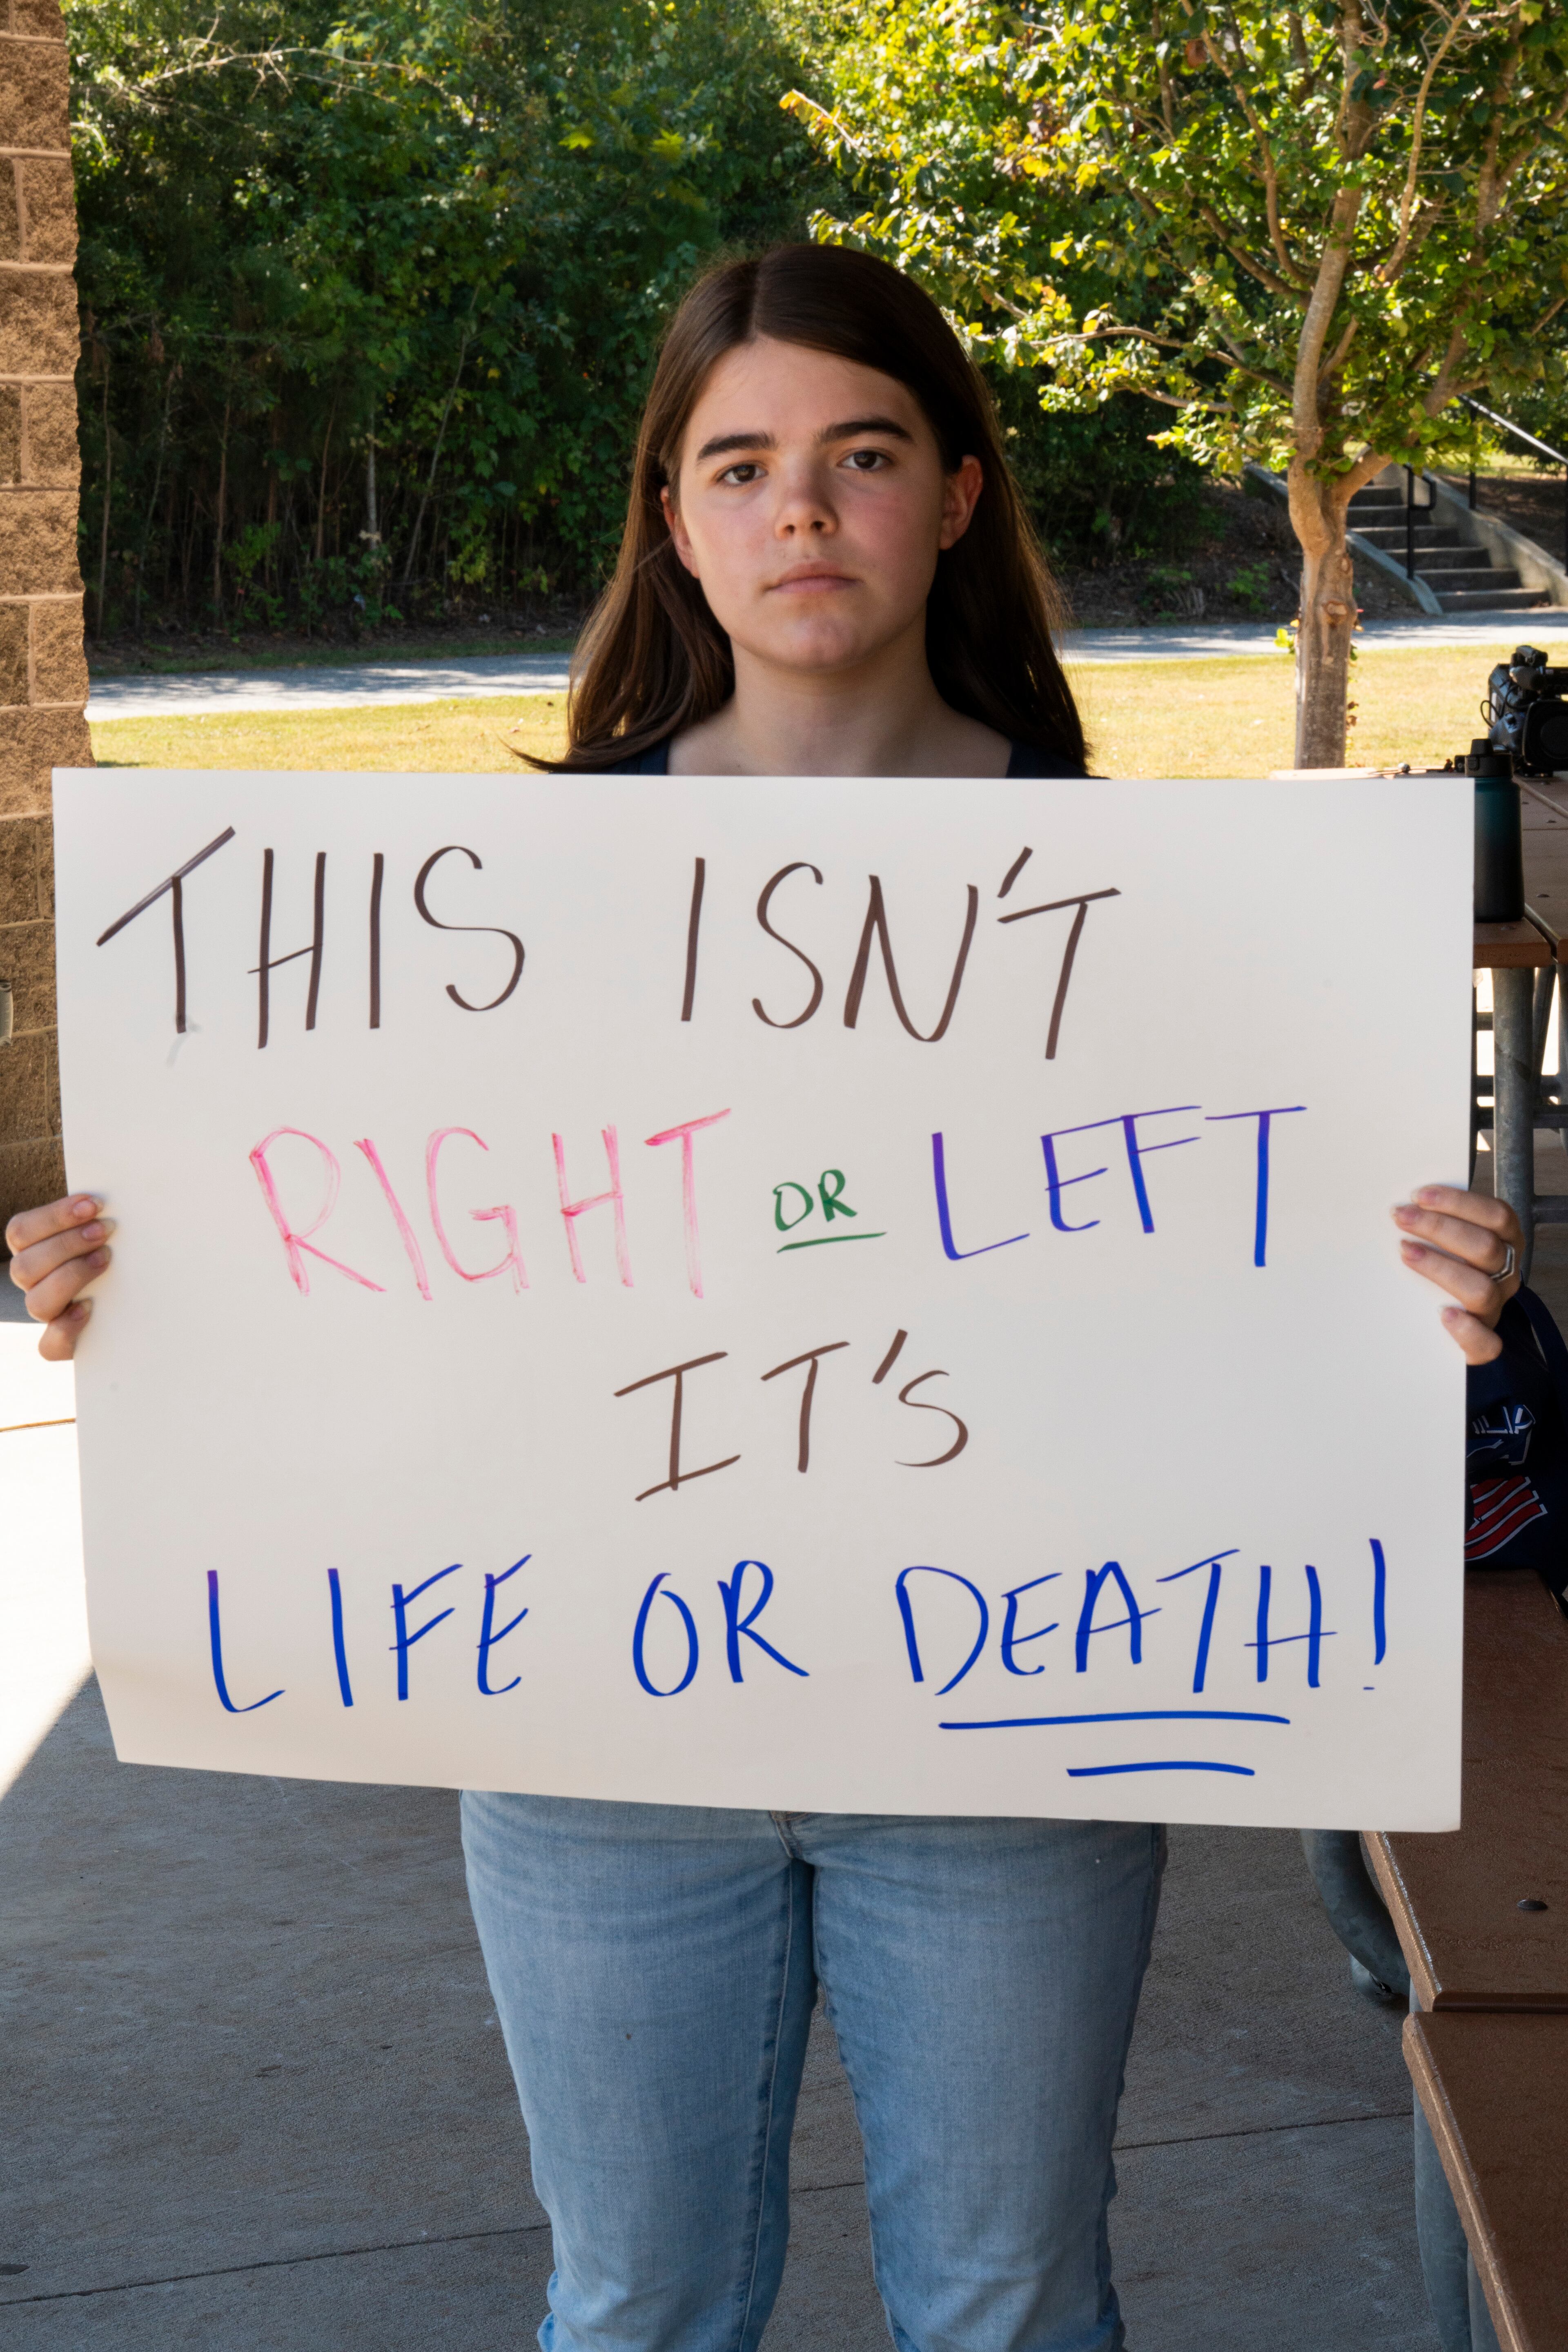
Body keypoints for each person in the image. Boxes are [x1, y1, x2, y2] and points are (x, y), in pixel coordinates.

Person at [5, 245, 1530, 2352]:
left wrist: (1439, 1308)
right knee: (636, 2306)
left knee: (1009, 2305)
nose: (800, 512)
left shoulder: (1183, 926)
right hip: (592, 1737)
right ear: (673, 516)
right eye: (741, 465)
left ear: (962, 496)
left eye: (863, 454)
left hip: (1017, 1732)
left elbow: (1256, 1329)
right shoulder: (496, 919)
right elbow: (408, 1260)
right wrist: (161, 1286)